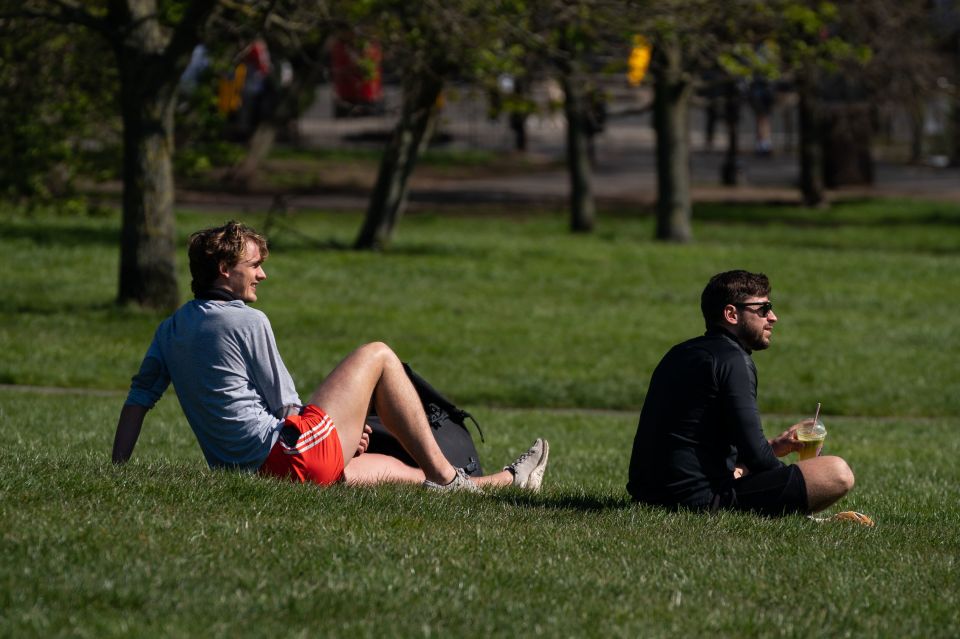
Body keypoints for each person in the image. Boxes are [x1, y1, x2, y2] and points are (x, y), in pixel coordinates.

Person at [112, 221, 549, 492]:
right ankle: (454, 481)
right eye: (254, 265)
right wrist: (345, 429)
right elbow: (287, 408)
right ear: (225, 271)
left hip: (250, 474)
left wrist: (118, 470)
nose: (262, 273)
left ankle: (504, 483)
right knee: (377, 354)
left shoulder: (170, 329)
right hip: (288, 458)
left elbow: (138, 400)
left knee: (391, 470)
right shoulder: (247, 321)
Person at [626, 270, 855, 517]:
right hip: (697, 500)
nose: (773, 317)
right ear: (731, 314)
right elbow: (757, 458)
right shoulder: (734, 361)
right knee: (836, 471)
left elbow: (706, 442)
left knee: (746, 469)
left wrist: (776, 446)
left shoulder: (680, 352)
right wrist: (790, 479)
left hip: (649, 493)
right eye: (763, 309)